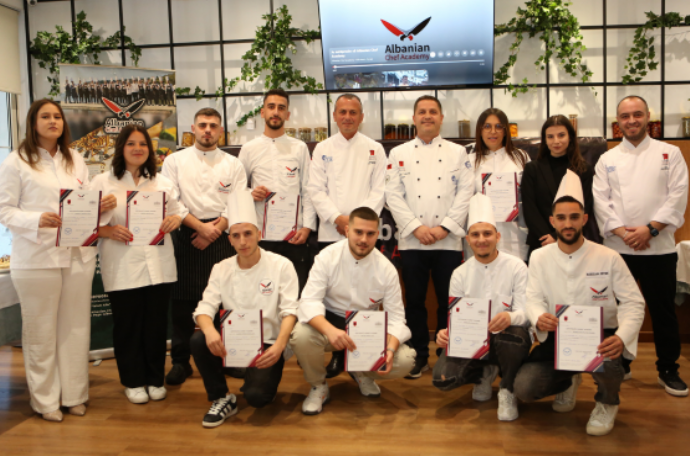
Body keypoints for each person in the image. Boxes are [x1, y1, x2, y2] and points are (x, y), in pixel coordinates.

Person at [0, 99, 116, 421]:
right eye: (45, 116)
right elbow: (4, 210)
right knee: (41, 331)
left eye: (57, 116)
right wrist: (37, 219)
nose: (53, 121)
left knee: (75, 328)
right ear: (32, 122)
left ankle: (74, 395)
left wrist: (101, 205)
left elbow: (84, 204)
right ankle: (45, 400)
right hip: (37, 258)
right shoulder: (16, 161)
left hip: (77, 256)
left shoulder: (74, 159)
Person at [514, 170, 645, 436]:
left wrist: (621, 337)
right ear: (552, 221)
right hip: (558, 336)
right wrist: (538, 316)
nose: (568, 224)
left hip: (602, 337)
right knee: (524, 388)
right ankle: (568, 381)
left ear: (584, 219)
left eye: (574, 217)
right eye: (561, 218)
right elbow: (533, 297)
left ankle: (607, 402)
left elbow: (634, 302)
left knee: (611, 364)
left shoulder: (608, 256)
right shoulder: (539, 256)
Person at [593, 95, 689, 396]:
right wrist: (625, 233)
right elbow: (601, 201)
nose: (631, 120)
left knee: (662, 311)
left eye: (637, 114)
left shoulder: (670, 153)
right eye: (625, 116)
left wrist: (650, 229)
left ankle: (668, 369)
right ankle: (619, 364)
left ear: (647, 116)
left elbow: (678, 196)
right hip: (618, 248)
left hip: (659, 247)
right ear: (618, 122)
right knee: (614, 309)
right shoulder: (607, 159)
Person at [289, 207, 416, 415]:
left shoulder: (387, 269)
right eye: (358, 232)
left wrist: (390, 350)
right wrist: (330, 331)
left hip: (367, 329)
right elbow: (308, 302)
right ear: (347, 230)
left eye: (370, 233)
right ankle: (318, 385)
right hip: (329, 321)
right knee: (301, 335)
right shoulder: (327, 257)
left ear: (378, 234)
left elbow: (396, 319)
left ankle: (362, 372)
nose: (364, 239)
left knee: (405, 360)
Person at [90, 125, 183, 404]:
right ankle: (132, 381)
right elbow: (82, 222)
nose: (137, 149)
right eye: (131, 143)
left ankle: (155, 379)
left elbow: (178, 212)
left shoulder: (161, 182)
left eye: (143, 144)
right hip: (122, 264)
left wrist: (174, 220)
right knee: (128, 325)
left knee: (156, 325)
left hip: (158, 263)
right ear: (121, 148)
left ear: (149, 150)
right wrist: (107, 230)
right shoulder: (102, 182)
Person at [191, 189, 298, 428]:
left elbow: (290, 310)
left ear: (259, 234)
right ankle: (221, 397)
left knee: (258, 398)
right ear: (229, 239)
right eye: (236, 235)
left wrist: (280, 346)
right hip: (233, 343)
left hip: (269, 344)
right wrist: (210, 331)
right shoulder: (221, 268)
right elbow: (204, 308)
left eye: (248, 234)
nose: (242, 242)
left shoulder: (281, 265)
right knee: (199, 339)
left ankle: (258, 378)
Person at [385, 95, 474, 378]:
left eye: (433, 112)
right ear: (414, 118)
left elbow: (465, 193)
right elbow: (392, 195)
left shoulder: (458, 153)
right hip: (412, 241)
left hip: (448, 242)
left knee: (450, 301)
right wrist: (416, 227)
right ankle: (420, 355)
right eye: (422, 112)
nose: (427, 116)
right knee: (414, 301)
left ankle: (449, 355)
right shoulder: (398, 153)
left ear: (441, 118)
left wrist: (444, 227)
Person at [161, 108, 247, 386]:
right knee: (182, 303)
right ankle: (180, 362)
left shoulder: (233, 164)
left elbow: (238, 201)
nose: (207, 130)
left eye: (213, 125)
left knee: (225, 300)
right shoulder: (174, 161)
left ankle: (227, 358)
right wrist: (199, 228)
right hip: (186, 233)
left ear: (221, 130)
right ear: (193, 129)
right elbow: (171, 201)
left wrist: (214, 231)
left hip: (223, 234)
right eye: (202, 125)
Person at [307, 94, 386, 378]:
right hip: (332, 231)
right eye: (343, 112)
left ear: (362, 117)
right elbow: (316, 189)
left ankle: (360, 356)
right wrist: (337, 219)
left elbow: (380, 190)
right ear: (335, 116)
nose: (348, 117)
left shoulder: (375, 149)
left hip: (363, 234)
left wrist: (357, 225)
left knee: (362, 293)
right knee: (334, 295)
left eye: (353, 112)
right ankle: (338, 353)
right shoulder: (323, 148)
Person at [433, 193, 531, 421]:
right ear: (468, 240)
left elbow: (527, 313)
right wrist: (445, 333)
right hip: (473, 340)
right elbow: (455, 318)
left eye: (487, 233)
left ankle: (507, 389)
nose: (482, 239)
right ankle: (483, 374)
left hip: (507, 338)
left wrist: (510, 317)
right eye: (475, 235)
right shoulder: (460, 274)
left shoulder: (517, 267)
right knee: (441, 378)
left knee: (514, 334)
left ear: (497, 236)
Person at [238, 88, 316, 291]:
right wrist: (250, 193)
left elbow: (308, 190)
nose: (276, 112)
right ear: (262, 112)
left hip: (294, 236)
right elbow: (238, 189)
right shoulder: (249, 149)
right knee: (261, 292)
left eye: (281, 108)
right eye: (271, 107)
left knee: (294, 292)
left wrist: (307, 228)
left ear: (287, 115)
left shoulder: (299, 147)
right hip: (260, 236)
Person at [521, 115, 595, 259]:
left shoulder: (583, 169)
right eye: (550, 136)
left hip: (573, 240)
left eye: (561, 135)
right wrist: (547, 237)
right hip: (541, 242)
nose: (556, 141)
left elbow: (586, 207)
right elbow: (530, 209)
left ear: (570, 137)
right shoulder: (532, 169)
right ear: (544, 140)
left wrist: (557, 236)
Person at [466, 108, 530, 261]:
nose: (493, 131)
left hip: (515, 234)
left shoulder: (521, 157)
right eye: (487, 126)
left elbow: (530, 196)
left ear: (505, 130)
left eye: (499, 126)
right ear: (480, 130)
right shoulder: (469, 160)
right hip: (481, 236)